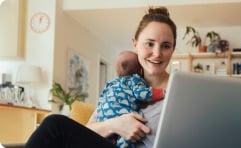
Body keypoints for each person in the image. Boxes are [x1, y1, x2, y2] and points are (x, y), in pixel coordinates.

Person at [25, 6, 177, 148]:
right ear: (135, 44)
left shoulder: (180, 93)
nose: (157, 53)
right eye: (149, 44)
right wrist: (116, 124)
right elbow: (86, 131)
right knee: (54, 126)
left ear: (173, 49)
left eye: (165, 46)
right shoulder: (119, 87)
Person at [96, 50, 165, 147]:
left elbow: (101, 99)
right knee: (127, 138)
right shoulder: (134, 80)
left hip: (103, 116)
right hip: (120, 117)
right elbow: (143, 94)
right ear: (140, 70)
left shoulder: (111, 83)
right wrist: (161, 92)